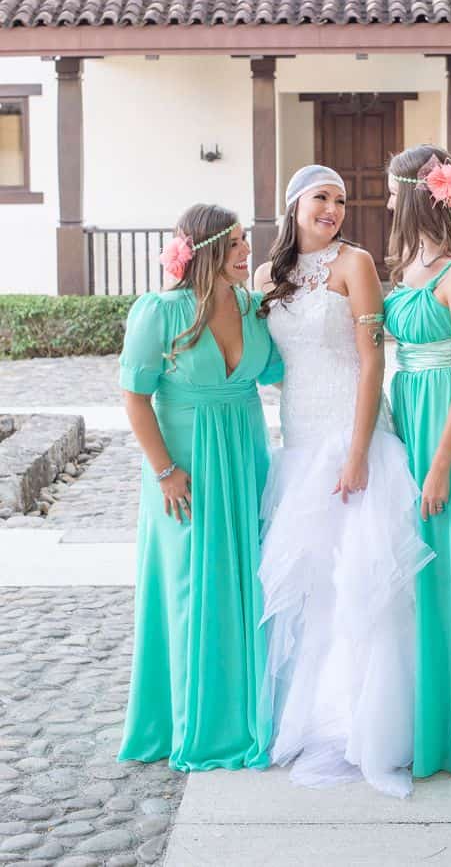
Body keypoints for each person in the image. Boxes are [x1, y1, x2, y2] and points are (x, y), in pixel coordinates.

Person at [254, 164, 434, 798]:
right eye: (320, 199)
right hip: (299, 443)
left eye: (339, 199)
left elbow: (371, 362)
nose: (333, 208)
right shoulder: (264, 278)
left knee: (366, 581)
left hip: (354, 440)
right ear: (293, 204)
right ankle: (316, 717)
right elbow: (265, 363)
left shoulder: (356, 264)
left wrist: (357, 452)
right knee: (314, 589)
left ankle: (378, 730)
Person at [118, 204, 282, 772]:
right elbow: (135, 397)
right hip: (184, 468)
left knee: (248, 583)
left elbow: (285, 372)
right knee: (190, 587)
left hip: (246, 457)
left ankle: (248, 716)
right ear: (207, 249)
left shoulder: (252, 306)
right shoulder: (158, 312)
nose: (246, 252)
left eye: (246, 242)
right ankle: (191, 720)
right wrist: (164, 470)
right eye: (236, 244)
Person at [383, 145, 451, 782]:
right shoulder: (405, 265)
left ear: (419, 195)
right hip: (408, 415)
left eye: (396, 192)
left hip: (450, 427)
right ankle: (427, 715)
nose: (390, 203)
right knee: (419, 572)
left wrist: (442, 464)